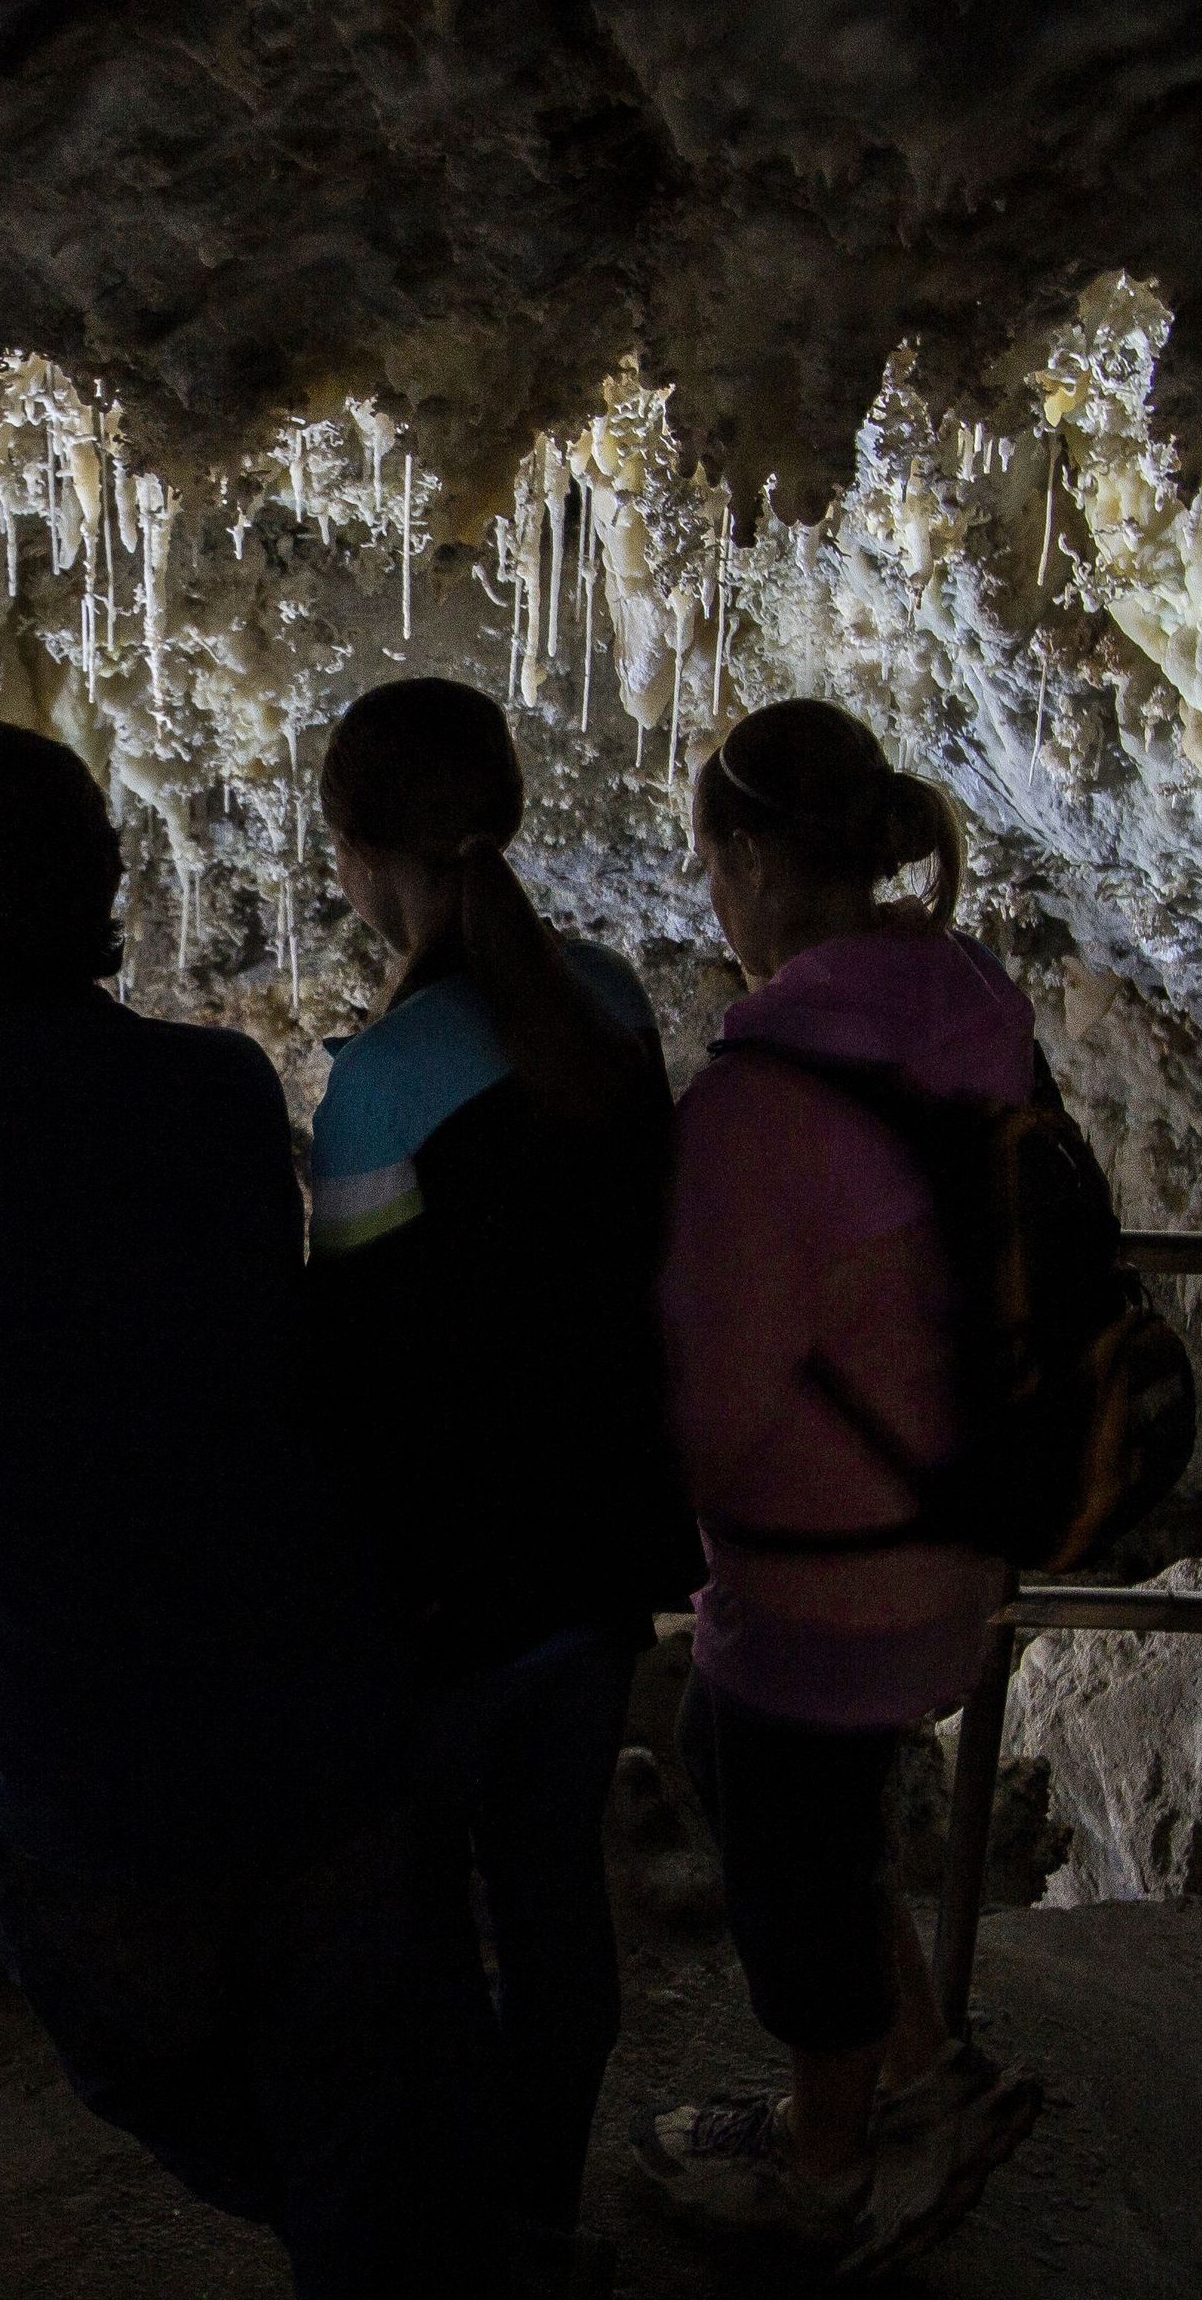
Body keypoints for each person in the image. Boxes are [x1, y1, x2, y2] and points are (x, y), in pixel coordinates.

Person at [0, 718, 522, 2299]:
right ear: (105, 883)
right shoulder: (215, 1093)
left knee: (224, 2106)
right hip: (329, 1741)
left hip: (90, 1817)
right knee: (372, 2140)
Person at [626, 699, 1047, 2271]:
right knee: (785, 1801)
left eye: (706, 867)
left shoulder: (762, 1102)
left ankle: (831, 2162)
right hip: (970, 1530)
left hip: (825, 1574)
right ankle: (932, 2074)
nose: (706, 901)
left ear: (744, 860)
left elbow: (712, 1416)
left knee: (784, 1855)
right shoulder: (970, 999)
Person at [301, 677, 689, 2237]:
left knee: (419, 1912)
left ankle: (457, 2233)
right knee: (549, 1884)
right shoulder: (614, 1003)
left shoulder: (380, 1085)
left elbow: (360, 1362)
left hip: (450, 1590)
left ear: (357, 857)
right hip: (600, 1555)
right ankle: (541, 2202)